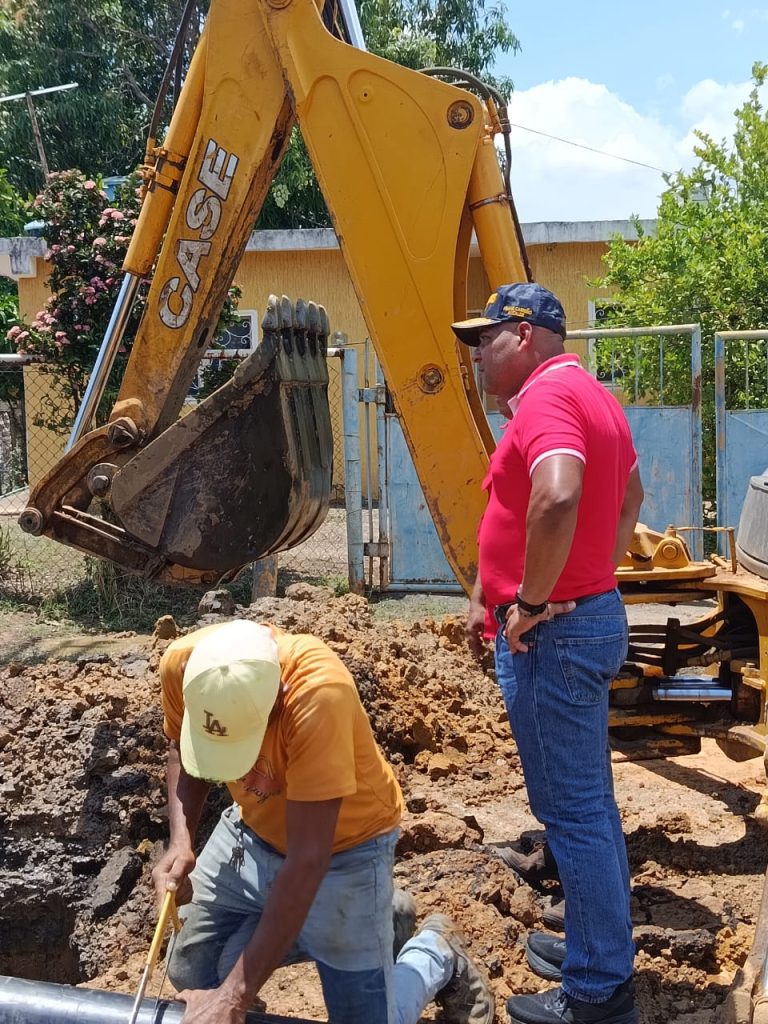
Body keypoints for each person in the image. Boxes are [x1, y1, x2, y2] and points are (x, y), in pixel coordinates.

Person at [452, 283, 644, 1024]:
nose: (478, 354)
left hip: (552, 635)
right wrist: (589, 576)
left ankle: (597, 992)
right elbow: (628, 496)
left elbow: (558, 496)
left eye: (487, 338)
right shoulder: (591, 395)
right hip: (579, 621)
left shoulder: (547, 400)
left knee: (573, 811)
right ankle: (598, 946)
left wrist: (533, 601)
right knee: (588, 804)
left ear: (525, 333)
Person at [153, 618, 495, 1024]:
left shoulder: (318, 694)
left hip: (344, 847)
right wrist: (181, 841)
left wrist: (234, 997)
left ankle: (435, 952)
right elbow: (181, 747)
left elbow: (307, 861)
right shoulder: (186, 666)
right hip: (251, 830)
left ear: (277, 697)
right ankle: (375, 917)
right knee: (192, 968)